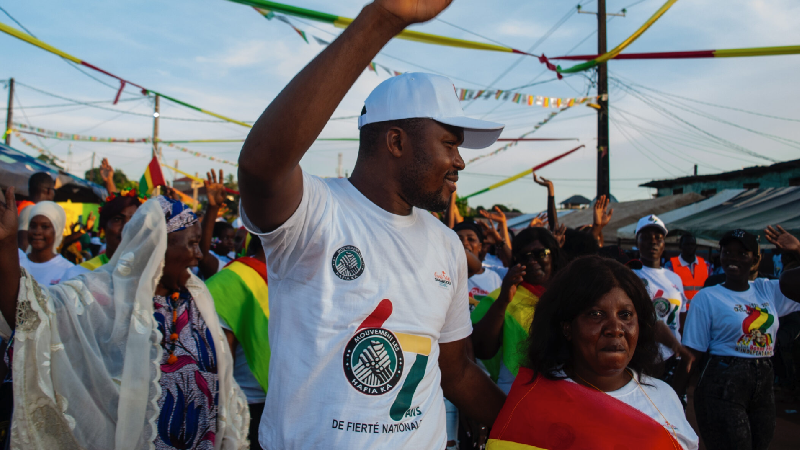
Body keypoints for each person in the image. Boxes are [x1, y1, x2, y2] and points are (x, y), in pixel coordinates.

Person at [237, 1, 508, 448]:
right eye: (448, 143)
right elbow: (261, 167)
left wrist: (541, 433)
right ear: (396, 141)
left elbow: (457, 371)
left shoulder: (447, 246)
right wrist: (383, 18)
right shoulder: (316, 212)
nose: (460, 161)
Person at [0, 188, 249, 449]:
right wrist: (6, 243)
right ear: (157, 246)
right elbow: (32, 316)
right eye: (191, 243)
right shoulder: (102, 293)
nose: (198, 255)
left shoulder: (197, 297)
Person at [488, 255, 698, 450]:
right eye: (596, 314)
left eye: (625, 315)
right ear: (567, 327)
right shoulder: (534, 402)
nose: (615, 328)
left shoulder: (664, 396)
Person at [682, 228, 800, 450]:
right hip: (722, 383)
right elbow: (692, 352)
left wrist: (799, 249)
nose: (733, 258)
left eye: (742, 253)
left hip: (763, 383)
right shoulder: (707, 297)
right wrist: (677, 393)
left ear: (755, 259)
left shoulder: (768, 289)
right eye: (727, 252)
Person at [471, 227, 565, 393]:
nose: (532, 261)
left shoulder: (570, 296)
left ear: (554, 255)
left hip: (564, 391)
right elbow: (482, 350)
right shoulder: (501, 297)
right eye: (524, 256)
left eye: (540, 253)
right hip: (515, 393)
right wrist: (503, 301)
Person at [208, 235, 270, 448]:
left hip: (286, 403)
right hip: (248, 407)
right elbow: (220, 364)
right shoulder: (233, 280)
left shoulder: (298, 278)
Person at [632, 215, 695, 387]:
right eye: (645, 238)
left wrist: (682, 348)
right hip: (641, 356)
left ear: (664, 243)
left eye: (658, 238)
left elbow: (682, 319)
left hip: (671, 357)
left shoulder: (674, 278)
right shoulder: (631, 274)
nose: (653, 242)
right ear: (636, 241)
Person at [60, 190, 143, 281]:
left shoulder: (152, 276)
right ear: (103, 229)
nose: (127, 227)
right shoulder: (79, 275)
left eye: (135, 220)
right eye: (117, 219)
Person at [18, 201, 74, 286]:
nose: (37, 232)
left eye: (45, 227)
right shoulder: (17, 264)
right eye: (33, 226)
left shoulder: (68, 271)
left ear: (57, 231)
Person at [454, 221, 502, 309]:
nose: (465, 243)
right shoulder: (449, 274)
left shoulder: (494, 277)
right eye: (458, 239)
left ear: (480, 246)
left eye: (471, 239)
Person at [666, 233, 709, 307]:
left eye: (692, 244)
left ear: (696, 246)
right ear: (680, 246)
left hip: (701, 309)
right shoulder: (670, 265)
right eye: (686, 244)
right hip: (681, 310)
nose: (690, 247)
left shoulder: (706, 265)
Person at [17, 172, 55, 251]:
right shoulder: (30, 209)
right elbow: (23, 245)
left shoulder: (29, 208)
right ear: (48, 191)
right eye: (53, 190)